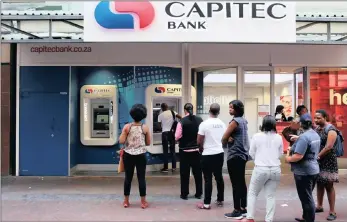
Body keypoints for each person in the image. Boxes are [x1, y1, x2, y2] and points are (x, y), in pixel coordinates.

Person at [246, 115, 283, 222]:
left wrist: (258, 158)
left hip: (260, 168)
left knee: (253, 193)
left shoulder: (256, 136)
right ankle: (269, 219)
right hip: (275, 169)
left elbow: (251, 152)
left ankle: (250, 217)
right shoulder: (278, 137)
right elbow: (280, 153)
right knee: (271, 196)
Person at [285, 113, 321, 222]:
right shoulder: (314, 134)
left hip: (303, 172)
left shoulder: (304, 138)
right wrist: (299, 138)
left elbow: (298, 156)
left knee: (306, 198)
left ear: (300, 124)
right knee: (307, 195)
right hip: (313, 169)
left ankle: (309, 219)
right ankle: (305, 217)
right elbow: (307, 142)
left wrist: (288, 157)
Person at [119, 104, 151, 209]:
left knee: (128, 178)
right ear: (143, 115)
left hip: (128, 155)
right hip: (141, 155)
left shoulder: (127, 127)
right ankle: (143, 202)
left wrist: (125, 133)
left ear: (132, 115)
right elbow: (148, 143)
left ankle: (126, 201)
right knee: (141, 178)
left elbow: (121, 141)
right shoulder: (145, 127)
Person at [222, 100, 250, 219]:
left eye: (231, 108)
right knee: (241, 182)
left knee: (235, 184)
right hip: (243, 155)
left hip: (234, 155)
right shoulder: (244, 121)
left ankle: (236, 210)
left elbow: (223, 138)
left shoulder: (234, 122)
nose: (229, 110)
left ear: (237, 109)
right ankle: (244, 208)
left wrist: (226, 140)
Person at [196, 103, 226, 209]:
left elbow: (199, 140)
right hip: (219, 153)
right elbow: (225, 138)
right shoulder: (222, 124)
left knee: (208, 179)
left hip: (207, 154)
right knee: (219, 177)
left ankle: (206, 203)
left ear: (209, 111)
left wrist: (200, 149)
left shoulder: (204, 124)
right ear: (218, 112)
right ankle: (220, 199)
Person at [314, 110, 339, 221]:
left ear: (325, 117)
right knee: (319, 183)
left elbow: (329, 146)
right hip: (319, 160)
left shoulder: (331, 129)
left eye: (319, 118)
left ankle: (332, 211)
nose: (316, 120)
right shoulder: (317, 129)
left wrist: (317, 156)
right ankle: (319, 206)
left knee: (329, 185)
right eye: (315, 118)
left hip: (328, 160)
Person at [175, 103, 203, 200]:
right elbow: (202, 134)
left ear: (185, 110)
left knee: (184, 173)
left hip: (184, 151)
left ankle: (184, 194)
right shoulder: (200, 120)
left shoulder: (181, 121)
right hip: (197, 151)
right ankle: (199, 193)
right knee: (198, 173)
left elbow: (177, 136)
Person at [158, 103, 181, 173]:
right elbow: (181, 117)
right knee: (172, 151)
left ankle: (166, 168)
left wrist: (163, 126)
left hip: (164, 133)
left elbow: (159, 126)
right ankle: (174, 167)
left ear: (162, 108)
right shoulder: (173, 112)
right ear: (167, 107)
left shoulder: (160, 115)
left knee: (165, 151)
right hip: (172, 133)